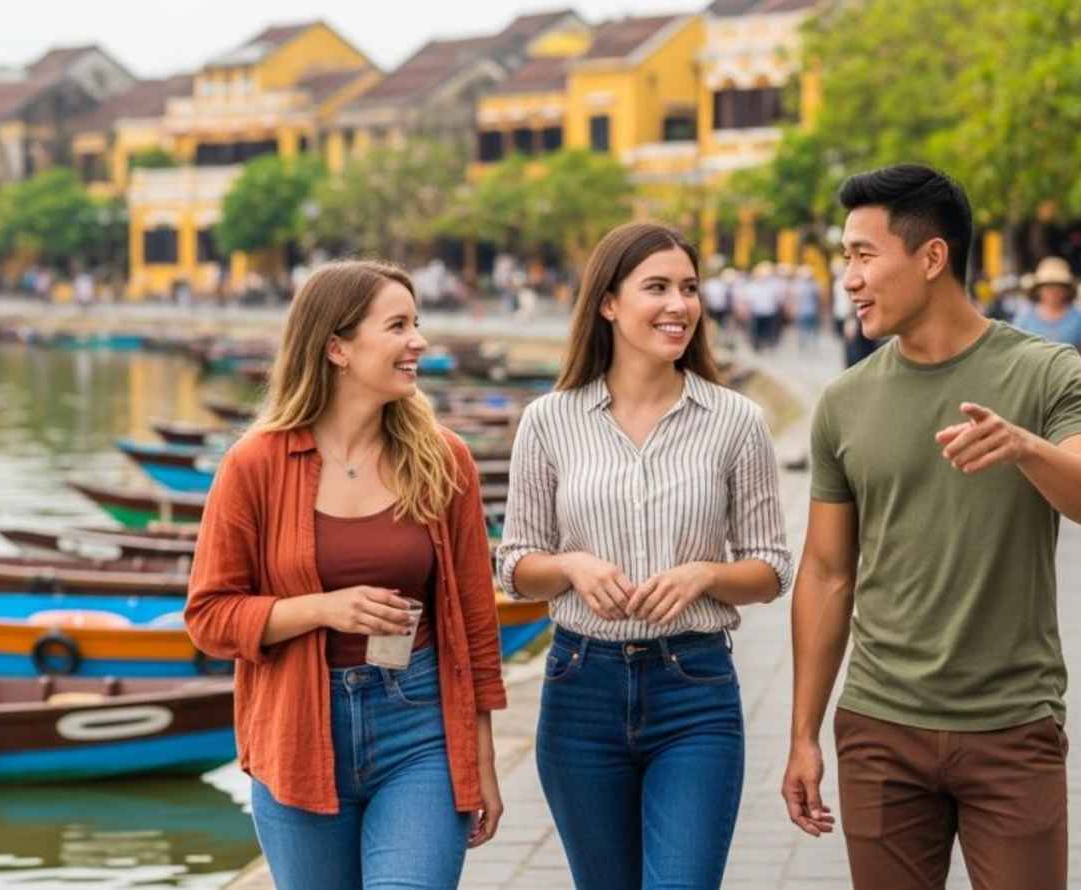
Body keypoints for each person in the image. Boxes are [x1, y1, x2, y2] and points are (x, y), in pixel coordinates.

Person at [781, 164, 1081, 890]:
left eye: (862, 254)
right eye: (843, 257)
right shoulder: (843, 402)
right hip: (879, 727)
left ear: (932, 257)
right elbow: (826, 572)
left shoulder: (1046, 374)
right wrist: (802, 735)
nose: (847, 278)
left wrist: (1027, 447)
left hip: (1012, 727)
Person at [185, 261, 507, 889]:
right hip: (299, 728)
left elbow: (475, 619)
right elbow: (208, 617)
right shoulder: (254, 465)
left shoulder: (446, 461)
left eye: (417, 323)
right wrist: (321, 609)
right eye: (397, 326)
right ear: (337, 347)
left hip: (419, 726)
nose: (418, 341)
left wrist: (481, 757)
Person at [497, 222, 792, 890]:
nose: (678, 305)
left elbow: (772, 568)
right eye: (656, 287)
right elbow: (514, 564)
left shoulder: (735, 421)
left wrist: (708, 575)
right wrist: (571, 566)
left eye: (688, 288)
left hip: (694, 691)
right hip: (580, 691)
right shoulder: (550, 419)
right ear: (608, 303)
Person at [1014, 257, 1081, 377]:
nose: (1053, 291)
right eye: (1048, 286)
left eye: (1058, 286)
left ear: (1067, 290)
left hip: (1072, 382)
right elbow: (1016, 355)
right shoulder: (1024, 317)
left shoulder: (1080, 316)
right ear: (1038, 289)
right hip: (1034, 384)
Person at [792, 265, 823, 353]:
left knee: (808, 329)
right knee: (807, 329)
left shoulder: (800, 285)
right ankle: (808, 345)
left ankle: (807, 345)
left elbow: (819, 298)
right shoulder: (813, 285)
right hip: (806, 311)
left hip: (808, 311)